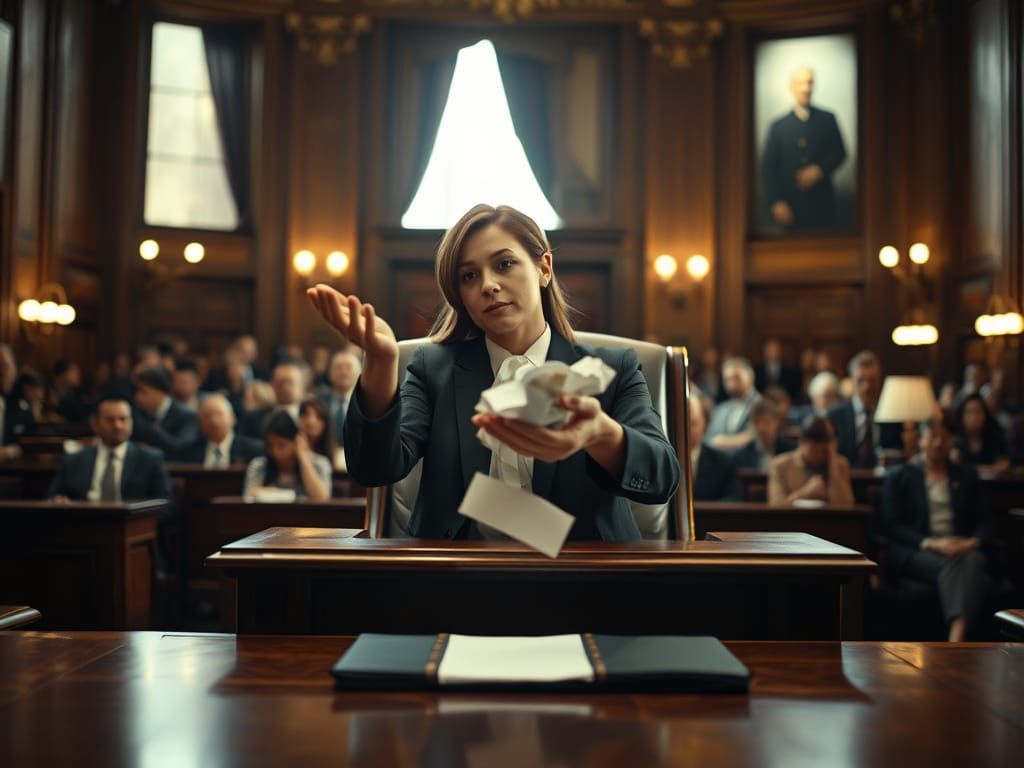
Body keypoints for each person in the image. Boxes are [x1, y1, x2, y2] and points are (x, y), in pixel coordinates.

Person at [306, 204, 680, 541]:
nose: (488, 285)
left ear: (544, 268)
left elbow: (661, 479)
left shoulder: (615, 368)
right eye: (469, 277)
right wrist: (382, 360)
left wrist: (600, 433)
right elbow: (374, 469)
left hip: (583, 581)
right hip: (457, 583)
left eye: (504, 264)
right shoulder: (432, 370)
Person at [881, 410, 993, 642]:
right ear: (921, 439)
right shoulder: (900, 475)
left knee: (971, 559)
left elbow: (985, 523)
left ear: (952, 441)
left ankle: (956, 635)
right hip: (920, 551)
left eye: (945, 437)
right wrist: (931, 543)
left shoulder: (966, 476)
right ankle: (958, 637)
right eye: (933, 436)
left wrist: (969, 543)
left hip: (960, 549)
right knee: (968, 566)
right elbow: (890, 525)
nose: (939, 443)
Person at [762, 67, 847, 232]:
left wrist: (820, 170)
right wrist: (776, 201)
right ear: (791, 87)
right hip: (791, 207)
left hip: (823, 206)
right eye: (801, 83)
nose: (805, 88)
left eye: (810, 82)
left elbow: (840, 152)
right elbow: (768, 168)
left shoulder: (828, 119)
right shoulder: (778, 126)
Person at [48, 395, 171, 501]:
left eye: (123, 419)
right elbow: (53, 497)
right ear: (95, 424)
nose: (118, 426)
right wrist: (59, 500)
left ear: (131, 423)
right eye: (110, 420)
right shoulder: (73, 461)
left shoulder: (149, 460)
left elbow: (166, 505)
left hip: (134, 525)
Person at [828, 351, 901, 468]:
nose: (867, 387)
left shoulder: (892, 416)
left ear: (880, 381)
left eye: (872, 380)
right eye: (861, 380)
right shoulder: (835, 416)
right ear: (852, 380)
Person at [243, 408, 331, 500]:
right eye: (270, 445)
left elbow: (322, 498)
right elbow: (248, 500)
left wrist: (303, 457)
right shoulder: (258, 466)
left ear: (296, 441)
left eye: (281, 445)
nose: (275, 452)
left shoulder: (319, 463)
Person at [768, 416, 853, 505]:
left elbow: (846, 505)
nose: (819, 455)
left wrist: (832, 464)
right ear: (801, 442)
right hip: (794, 518)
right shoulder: (780, 465)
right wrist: (805, 493)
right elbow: (776, 505)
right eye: (813, 449)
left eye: (823, 451)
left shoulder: (841, 464)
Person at [175, 393, 263, 467]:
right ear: (199, 423)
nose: (213, 420)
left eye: (218, 414)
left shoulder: (253, 450)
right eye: (207, 416)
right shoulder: (189, 452)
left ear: (232, 418)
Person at [132, 365, 200, 456]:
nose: (138, 397)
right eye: (137, 392)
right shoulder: (137, 414)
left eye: (143, 392)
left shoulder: (187, 416)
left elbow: (182, 449)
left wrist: (152, 431)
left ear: (160, 392)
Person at [687, 395, 741, 501]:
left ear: (705, 423)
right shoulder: (661, 460)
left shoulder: (723, 463)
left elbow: (733, 500)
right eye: (681, 422)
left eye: (692, 423)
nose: (686, 429)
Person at [238, 359, 307, 438]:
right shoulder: (253, 419)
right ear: (271, 385)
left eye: (289, 382)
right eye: (279, 382)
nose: (284, 387)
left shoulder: (312, 419)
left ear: (302, 387)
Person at [705, 357, 759, 452]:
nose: (732, 383)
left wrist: (723, 442)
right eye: (727, 379)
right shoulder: (720, 409)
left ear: (751, 378)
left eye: (736, 377)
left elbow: (756, 436)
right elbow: (709, 437)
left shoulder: (762, 405)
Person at [732, 397, 794, 472]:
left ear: (777, 422)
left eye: (766, 421)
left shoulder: (791, 451)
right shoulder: (742, 456)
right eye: (756, 422)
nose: (761, 427)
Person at [318, 347, 361, 447]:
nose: (343, 372)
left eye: (348, 367)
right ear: (330, 373)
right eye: (338, 367)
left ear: (359, 373)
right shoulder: (319, 402)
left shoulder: (367, 402)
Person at [953, 393, 1008, 469]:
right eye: (969, 412)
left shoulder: (995, 439)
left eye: (978, 411)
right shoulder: (955, 443)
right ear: (962, 417)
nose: (974, 417)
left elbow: (1003, 462)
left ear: (985, 415)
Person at [299, 396, 342, 469]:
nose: (311, 421)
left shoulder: (337, 455)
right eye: (306, 415)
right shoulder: (291, 449)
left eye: (318, 417)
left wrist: (303, 456)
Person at [51, 359, 89, 424]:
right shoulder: (48, 392)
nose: (78, 375)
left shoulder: (78, 392)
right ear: (62, 375)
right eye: (74, 372)